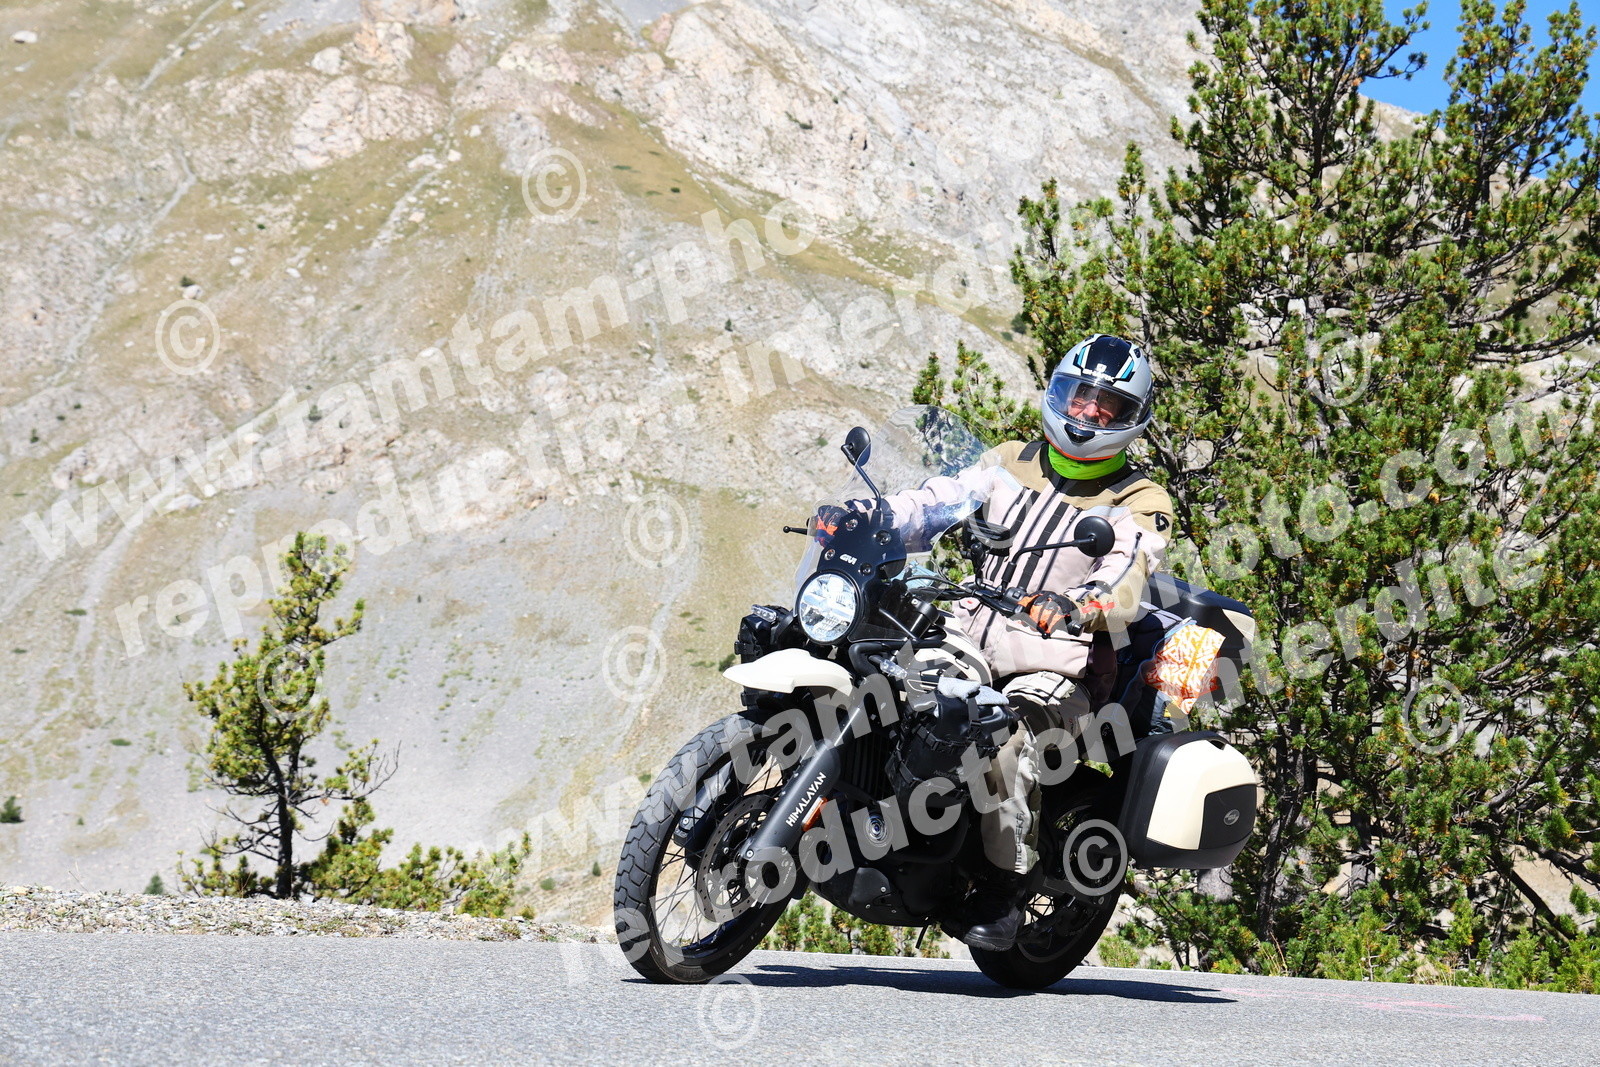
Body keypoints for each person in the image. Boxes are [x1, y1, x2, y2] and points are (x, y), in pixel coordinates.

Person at [827, 334, 1175, 951]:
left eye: (1109, 405)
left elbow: (1128, 574)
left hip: (1059, 666)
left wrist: (1077, 603)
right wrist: (869, 515)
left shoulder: (1138, 498)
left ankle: (1003, 884)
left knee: (1004, 739)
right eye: (1079, 395)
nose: (1089, 412)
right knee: (890, 683)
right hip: (968, 635)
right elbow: (939, 500)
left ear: (1132, 418)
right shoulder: (1012, 460)